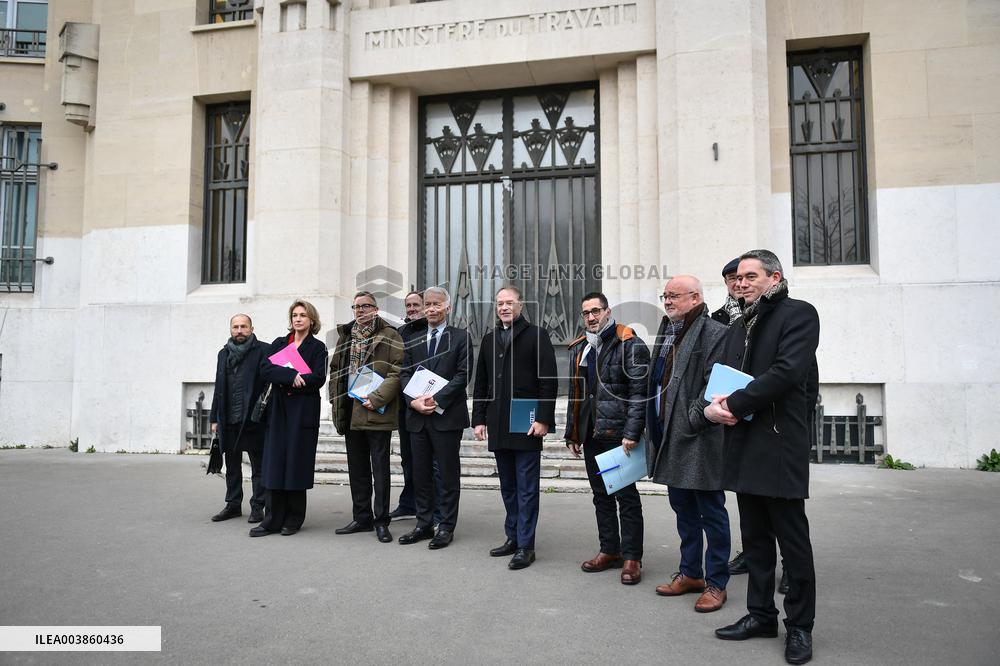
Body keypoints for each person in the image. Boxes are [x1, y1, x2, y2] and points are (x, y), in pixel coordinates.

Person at [705, 250, 820, 665]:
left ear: (775, 277)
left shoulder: (799, 314)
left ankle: (800, 626)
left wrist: (733, 404)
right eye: (738, 277)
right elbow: (724, 377)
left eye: (751, 276)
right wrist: (711, 408)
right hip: (743, 442)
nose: (742, 283)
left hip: (779, 444)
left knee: (792, 541)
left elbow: (786, 372)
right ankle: (760, 615)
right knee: (754, 539)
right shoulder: (738, 325)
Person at [646, 276, 731, 612]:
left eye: (674, 295)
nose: (668, 301)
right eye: (665, 296)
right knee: (683, 511)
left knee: (712, 513)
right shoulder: (668, 330)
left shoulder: (714, 332)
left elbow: (715, 385)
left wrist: (691, 419)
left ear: (695, 298)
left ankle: (717, 583)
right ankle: (691, 573)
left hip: (699, 437)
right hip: (669, 436)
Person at [564, 292, 648, 585]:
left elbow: (640, 393)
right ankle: (609, 550)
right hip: (591, 434)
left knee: (626, 497)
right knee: (601, 495)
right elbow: (575, 395)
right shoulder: (580, 348)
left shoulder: (629, 343)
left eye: (596, 311)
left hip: (617, 435)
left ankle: (632, 557)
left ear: (608, 312)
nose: (591, 317)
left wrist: (632, 432)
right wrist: (572, 432)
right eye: (586, 313)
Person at [472, 285, 558, 570]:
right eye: (500, 303)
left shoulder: (537, 335)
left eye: (509, 302)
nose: (504, 307)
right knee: (508, 486)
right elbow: (481, 383)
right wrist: (479, 419)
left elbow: (548, 381)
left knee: (526, 487)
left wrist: (543, 419)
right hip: (498, 422)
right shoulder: (488, 339)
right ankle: (513, 536)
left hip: (526, 421)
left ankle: (525, 545)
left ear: (521, 305)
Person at [397, 287, 473, 549]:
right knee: (420, 474)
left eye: (436, 304)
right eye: (427, 304)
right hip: (417, 417)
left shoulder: (461, 337)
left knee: (447, 474)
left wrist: (436, 399)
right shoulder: (413, 338)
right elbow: (404, 373)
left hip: (446, 417)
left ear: (447, 308)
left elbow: (463, 375)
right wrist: (413, 401)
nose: (431, 309)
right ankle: (424, 523)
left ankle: (446, 526)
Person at [329, 291, 404, 544]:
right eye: (356, 306)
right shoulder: (346, 336)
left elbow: (397, 370)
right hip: (350, 409)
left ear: (376, 309)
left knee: (379, 470)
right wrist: (335, 399)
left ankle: (381, 521)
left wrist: (378, 398)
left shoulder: (390, 335)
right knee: (357, 469)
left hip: (376, 409)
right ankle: (361, 518)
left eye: (365, 306)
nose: (360, 310)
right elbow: (336, 370)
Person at [250, 301, 328, 537]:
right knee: (274, 464)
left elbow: (318, 378)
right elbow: (265, 369)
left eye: (303, 315)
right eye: (294, 315)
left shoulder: (318, 347)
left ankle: (294, 518)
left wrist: (293, 379)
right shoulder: (279, 343)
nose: (298, 319)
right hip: (278, 410)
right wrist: (291, 375)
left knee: (296, 464)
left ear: (311, 320)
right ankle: (272, 519)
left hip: (302, 412)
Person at [209, 314, 268, 524]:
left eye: (244, 326)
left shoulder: (264, 350)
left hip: (253, 419)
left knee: (258, 466)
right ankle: (233, 505)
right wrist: (214, 417)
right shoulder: (223, 353)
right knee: (232, 466)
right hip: (228, 418)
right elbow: (218, 386)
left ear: (252, 328)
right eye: (236, 327)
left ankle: (258, 507)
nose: (240, 330)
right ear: (231, 329)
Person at [389, 290, 426, 521]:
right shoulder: (400, 332)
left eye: (416, 305)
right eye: (408, 305)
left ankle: (430, 507)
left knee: (427, 461)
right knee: (408, 458)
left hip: (428, 403)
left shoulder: (433, 331)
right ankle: (409, 503)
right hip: (405, 405)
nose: (411, 309)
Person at [711, 258, 742, 326]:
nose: (738, 284)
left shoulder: (763, 310)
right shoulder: (717, 317)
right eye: (732, 278)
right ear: (726, 282)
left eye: (741, 278)